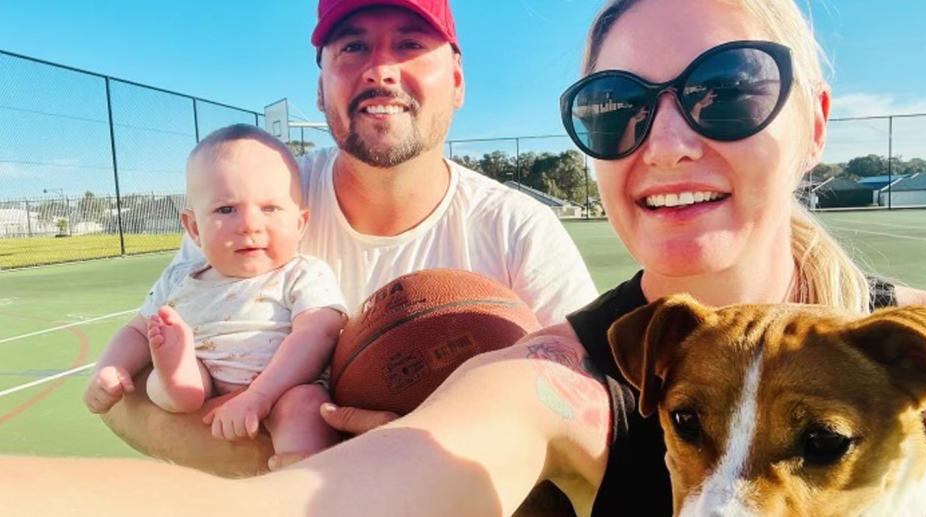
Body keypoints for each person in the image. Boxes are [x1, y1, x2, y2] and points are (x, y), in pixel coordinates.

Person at [8, 0, 926, 514]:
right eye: (618, 106)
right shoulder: (558, 373)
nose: (666, 139)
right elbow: (322, 499)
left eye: (728, 90)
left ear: (817, 123)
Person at [95, 0, 597, 477]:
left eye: (410, 45)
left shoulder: (518, 229)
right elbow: (127, 402)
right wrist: (317, 467)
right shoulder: (258, 199)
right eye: (353, 47)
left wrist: (430, 449)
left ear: (458, 82)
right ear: (320, 88)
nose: (381, 70)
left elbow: (593, 416)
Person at [83, 125, 347, 464]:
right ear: (194, 228)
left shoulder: (302, 273)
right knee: (159, 381)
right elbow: (136, 330)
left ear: (300, 223)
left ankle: (298, 468)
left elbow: (318, 332)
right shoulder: (180, 279)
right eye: (226, 210)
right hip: (203, 382)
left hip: (280, 388)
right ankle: (179, 378)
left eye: (270, 208)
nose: (250, 225)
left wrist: (259, 396)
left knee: (307, 405)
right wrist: (110, 369)